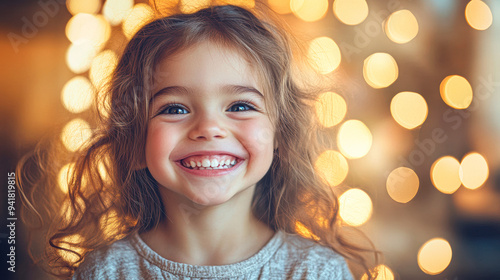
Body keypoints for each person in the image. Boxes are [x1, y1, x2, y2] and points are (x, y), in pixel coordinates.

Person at [17, 3, 378, 279]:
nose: (208, 127)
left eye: (239, 105)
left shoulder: (315, 272)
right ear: (135, 144)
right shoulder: (107, 271)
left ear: (279, 134)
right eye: (174, 109)